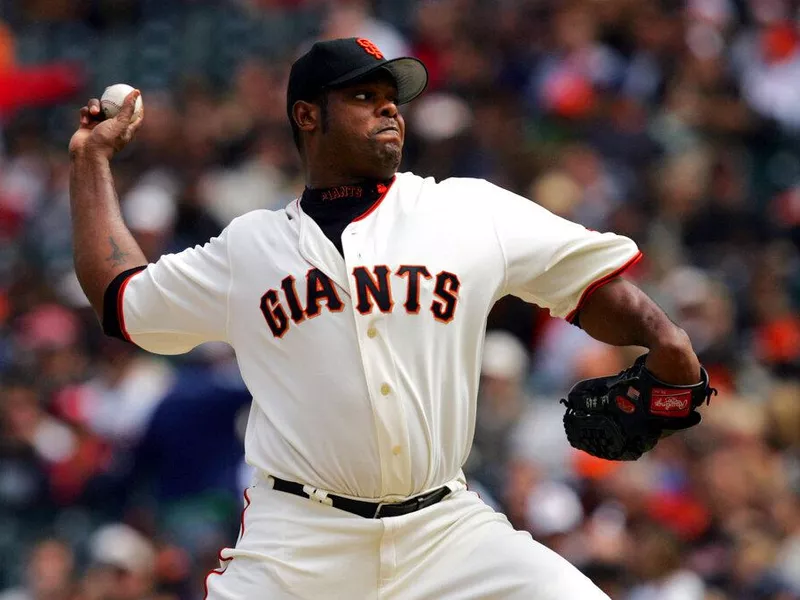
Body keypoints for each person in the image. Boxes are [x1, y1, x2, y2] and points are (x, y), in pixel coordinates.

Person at [68, 37, 706, 599]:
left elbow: (587, 284)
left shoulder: (464, 210)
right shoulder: (249, 247)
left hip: (445, 532)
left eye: (393, 97)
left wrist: (666, 338)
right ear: (307, 116)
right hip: (299, 544)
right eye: (365, 96)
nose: (390, 108)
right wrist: (91, 163)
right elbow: (122, 301)